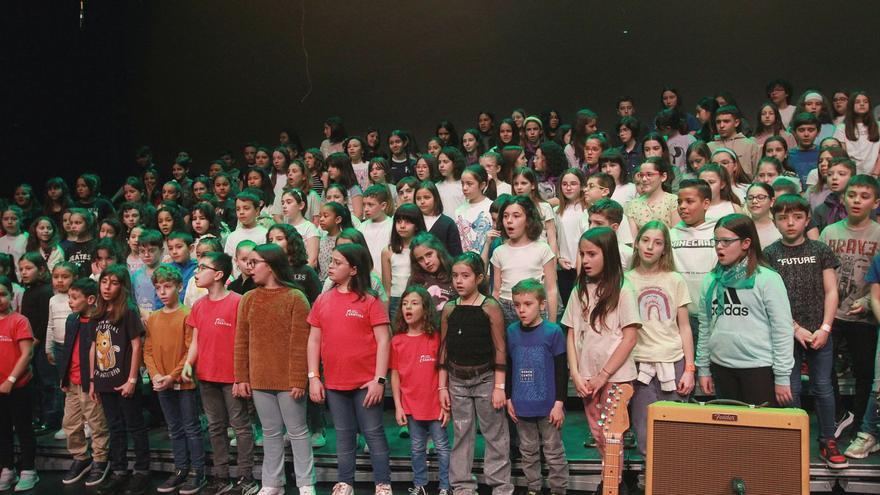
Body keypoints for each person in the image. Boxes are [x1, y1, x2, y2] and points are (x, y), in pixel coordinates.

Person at [763, 194, 845, 467]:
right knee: (792, 388)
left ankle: (827, 440)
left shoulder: (820, 250)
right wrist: (794, 329)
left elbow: (831, 291)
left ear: (807, 219)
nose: (790, 223)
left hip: (820, 332)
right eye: (783, 217)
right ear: (774, 221)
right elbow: (769, 300)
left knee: (822, 387)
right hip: (786, 334)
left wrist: (825, 328)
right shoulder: (770, 255)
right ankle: (792, 440)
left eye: (797, 217)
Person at [307, 243, 392, 495]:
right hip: (334, 382)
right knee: (344, 435)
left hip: (366, 383)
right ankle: (345, 482)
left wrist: (379, 379)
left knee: (374, 434)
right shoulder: (323, 300)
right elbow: (313, 340)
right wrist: (314, 376)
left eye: (337, 262)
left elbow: (384, 340)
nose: (330, 266)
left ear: (353, 269)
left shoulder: (369, 301)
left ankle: (383, 483)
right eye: (330, 261)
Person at [233, 244, 315, 495]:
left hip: (288, 379)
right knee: (270, 433)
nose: (250, 266)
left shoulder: (295, 298)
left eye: (254, 262)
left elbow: (301, 344)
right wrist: (241, 377)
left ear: (270, 265)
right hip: (260, 378)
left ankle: (305, 483)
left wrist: (298, 380)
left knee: (298, 432)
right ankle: (272, 483)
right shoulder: (248, 298)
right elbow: (241, 341)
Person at [696, 214, 794, 406]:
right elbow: (705, 327)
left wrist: (782, 377)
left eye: (726, 241)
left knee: (758, 435)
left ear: (746, 243)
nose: (719, 246)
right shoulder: (710, 280)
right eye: (716, 241)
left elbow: (782, 329)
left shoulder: (767, 279)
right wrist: (703, 368)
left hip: (758, 368)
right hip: (721, 367)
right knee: (730, 434)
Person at [181, 252, 258, 495]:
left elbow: (246, 342)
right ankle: (221, 475)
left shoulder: (238, 301)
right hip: (207, 376)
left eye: (202, 267)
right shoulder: (199, 305)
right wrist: (188, 363)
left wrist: (241, 376)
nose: (197, 271)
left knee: (240, 426)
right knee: (215, 426)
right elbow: (196, 340)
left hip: (232, 378)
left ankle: (246, 476)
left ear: (218, 274)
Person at [562, 227, 641, 456]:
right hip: (587, 376)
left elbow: (630, 338)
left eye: (592, 254)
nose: (585, 260)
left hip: (615, 376)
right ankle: (608, 482)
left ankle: (614, 485)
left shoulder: (623, 290)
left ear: (607, 254)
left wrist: (603, 375)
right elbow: (572, 333)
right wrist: (575, 373)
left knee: (613, 437)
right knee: (598, 436)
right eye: (582, 254)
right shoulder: (579, 290)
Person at [439, 252, 513, 495]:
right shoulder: (450, 309)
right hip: (457, 381)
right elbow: (444, 349)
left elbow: (500, 348)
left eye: (465, 276)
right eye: (455, 276)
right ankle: (462, 486)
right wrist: (442, 386)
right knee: (461, 433)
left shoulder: (489, 306)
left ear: (479, 278)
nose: (459, 281)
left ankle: (500, 486)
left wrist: (499, 387)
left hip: (485, 379)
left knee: (495, 434)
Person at [626, 222, 694, 456]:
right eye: (645, 240)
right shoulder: (626, 280)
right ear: (636, 243)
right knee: (644, 433)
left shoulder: (674, 279)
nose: (650, 247)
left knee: (675, 433)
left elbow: (684, 327)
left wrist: (689, 369)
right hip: (639, 366)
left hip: (672, 362)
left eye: (657, 243)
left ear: (664, 249)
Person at [819, 175, 880, 435]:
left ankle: (859, 423)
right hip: (833, 315)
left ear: (876, 202)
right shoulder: (829, 232)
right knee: (826, 369)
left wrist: (867, 302)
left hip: (865, 317)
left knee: (865, 372)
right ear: (843, 199)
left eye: (864, 196)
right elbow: (820, 273)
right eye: (852, 194)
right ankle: (839, 414)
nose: (857, 200)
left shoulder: (878, 233)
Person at [142, 265, 205, 494]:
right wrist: (157, 375)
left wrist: (172, 376)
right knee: (174, 427)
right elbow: (147, 350)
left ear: (179, 287)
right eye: (158, 288)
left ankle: (198, 472)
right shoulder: (154, 318)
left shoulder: (188, 314)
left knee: (190, 426)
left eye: (167, 287)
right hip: (162, 382)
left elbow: (191, 349)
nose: (162, 292)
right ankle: (180, 469)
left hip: (183, 381)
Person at [89, 264, 150, 495]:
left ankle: (142, 471)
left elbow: (136, 346)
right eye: (105, 281)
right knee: (114, 427)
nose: (107, 287)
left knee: (135, 425)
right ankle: (119, 470)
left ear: (122, 286)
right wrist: (93, 380)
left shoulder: (128, 312)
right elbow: (94, 347)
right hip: (104, 380)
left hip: (124, 380)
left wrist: (133, 379)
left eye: (114, 282)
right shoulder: (97, 313)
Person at [505, 279, 568, 495]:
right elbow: (509, 365)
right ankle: (533, 489)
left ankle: (558, 490)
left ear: (541, 305)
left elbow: (561, 370)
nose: (521, 310)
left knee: (553, 451)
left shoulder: (553, 332)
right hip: (522, 405)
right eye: (517, 304)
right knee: (528, 451)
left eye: (527, 304)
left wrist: (559, 403)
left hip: (548, 406)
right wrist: (509, 398)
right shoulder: (512, 331)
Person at [389, 287, 451, 495]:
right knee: (417, 448)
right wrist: (398, 406)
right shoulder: (397, 341)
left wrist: (446, 405)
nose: (408, 307)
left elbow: (445, 373)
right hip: (411, 407)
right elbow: (395, 375)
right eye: (405, 303)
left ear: (425, 309)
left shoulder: (435, 338)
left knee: (442, 447)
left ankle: (445, 486)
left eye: (414, 303)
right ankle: (420, 485)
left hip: (435, 406)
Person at [57, 277, 111, 486]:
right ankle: (81, 457)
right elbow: (67, 349)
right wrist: (63, 377)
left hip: (91, 383)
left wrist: (97, 381)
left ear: (90, 299)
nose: (70, 301)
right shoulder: (72, 320)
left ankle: (100, 459)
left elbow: (101, 354)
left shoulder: (100, 321)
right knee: (70, 423)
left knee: (97, 423)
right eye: (69, 297)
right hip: (72, 381)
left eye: (74, 297)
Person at [491, 196, 558, 325]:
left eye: (516, 216)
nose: (509, 221)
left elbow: (551, 289)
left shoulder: (542, 249)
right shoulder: (499, 252)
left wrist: (552, 323)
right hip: (505, 308)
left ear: (528, 220)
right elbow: (496, 290)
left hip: (533, 307)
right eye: (505, 216)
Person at [0, 275, 39, 492]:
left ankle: (28, 470)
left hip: (18, 386)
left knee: (23, 428)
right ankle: (7, 468)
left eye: (2, 294)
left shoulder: (19, 321)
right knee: (2, 429)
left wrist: (11, 380)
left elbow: (27, 353)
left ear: (11, 295)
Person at [381, 204, 425, 319]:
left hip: (419, 299)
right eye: (399, 221)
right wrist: (385, 314)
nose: (402, 226)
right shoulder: (388, 251)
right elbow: (387, 289)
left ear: (416, 225)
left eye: (407, 222)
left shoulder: (424, 249)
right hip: (396, 300)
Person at [624, 157, 680, 231]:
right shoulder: (633, 205)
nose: (644, 179)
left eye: (649, 174)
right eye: (641, 175)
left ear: (663, 177)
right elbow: (634, 239)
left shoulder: (673, 201)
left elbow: (677, 234)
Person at [834, 91, 880, 175]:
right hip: (852, 174)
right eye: (857, 102)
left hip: (874, 175)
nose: (862, 104)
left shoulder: (878, 126)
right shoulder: (842, 128)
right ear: (851, 106)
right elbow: (842, 154)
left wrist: (875, 174)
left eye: (865, 102)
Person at [708, 105, 761, 178]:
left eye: (726, 121)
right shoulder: (709, 147)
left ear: (736, 123)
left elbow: (758, 174)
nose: (721, 125)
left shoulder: (750, 145)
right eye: (718, 122)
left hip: (746, 187)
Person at [414, 181, 463, 257]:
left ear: (436, 198)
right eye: (418, 198)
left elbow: (456, 255)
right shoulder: (413, 222)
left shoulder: (448, 223)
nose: (422, 202)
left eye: (427, 197)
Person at [454, 165, 493, 254]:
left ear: (482, 185)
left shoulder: (491, 206)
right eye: (462, 183)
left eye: (469, 184)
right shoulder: (458, 211)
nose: (464, 188)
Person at [356, 185, 394, 277]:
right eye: (364, 205)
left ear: (383, 206)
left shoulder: (392, 225)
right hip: (366, 277)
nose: (366, 209)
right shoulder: (361, 227)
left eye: (370, 205)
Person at [745, 182, 781, 248]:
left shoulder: (780, 227)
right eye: (750, 198)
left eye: (760, 197)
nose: (754, 201)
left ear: (772, 201)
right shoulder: (741, 227)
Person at [437, 147, 467, 217]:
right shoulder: (437, 186)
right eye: (439, 162)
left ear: (455, 163)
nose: (441, 165)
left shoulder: (464, 185)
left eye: (445, 162)